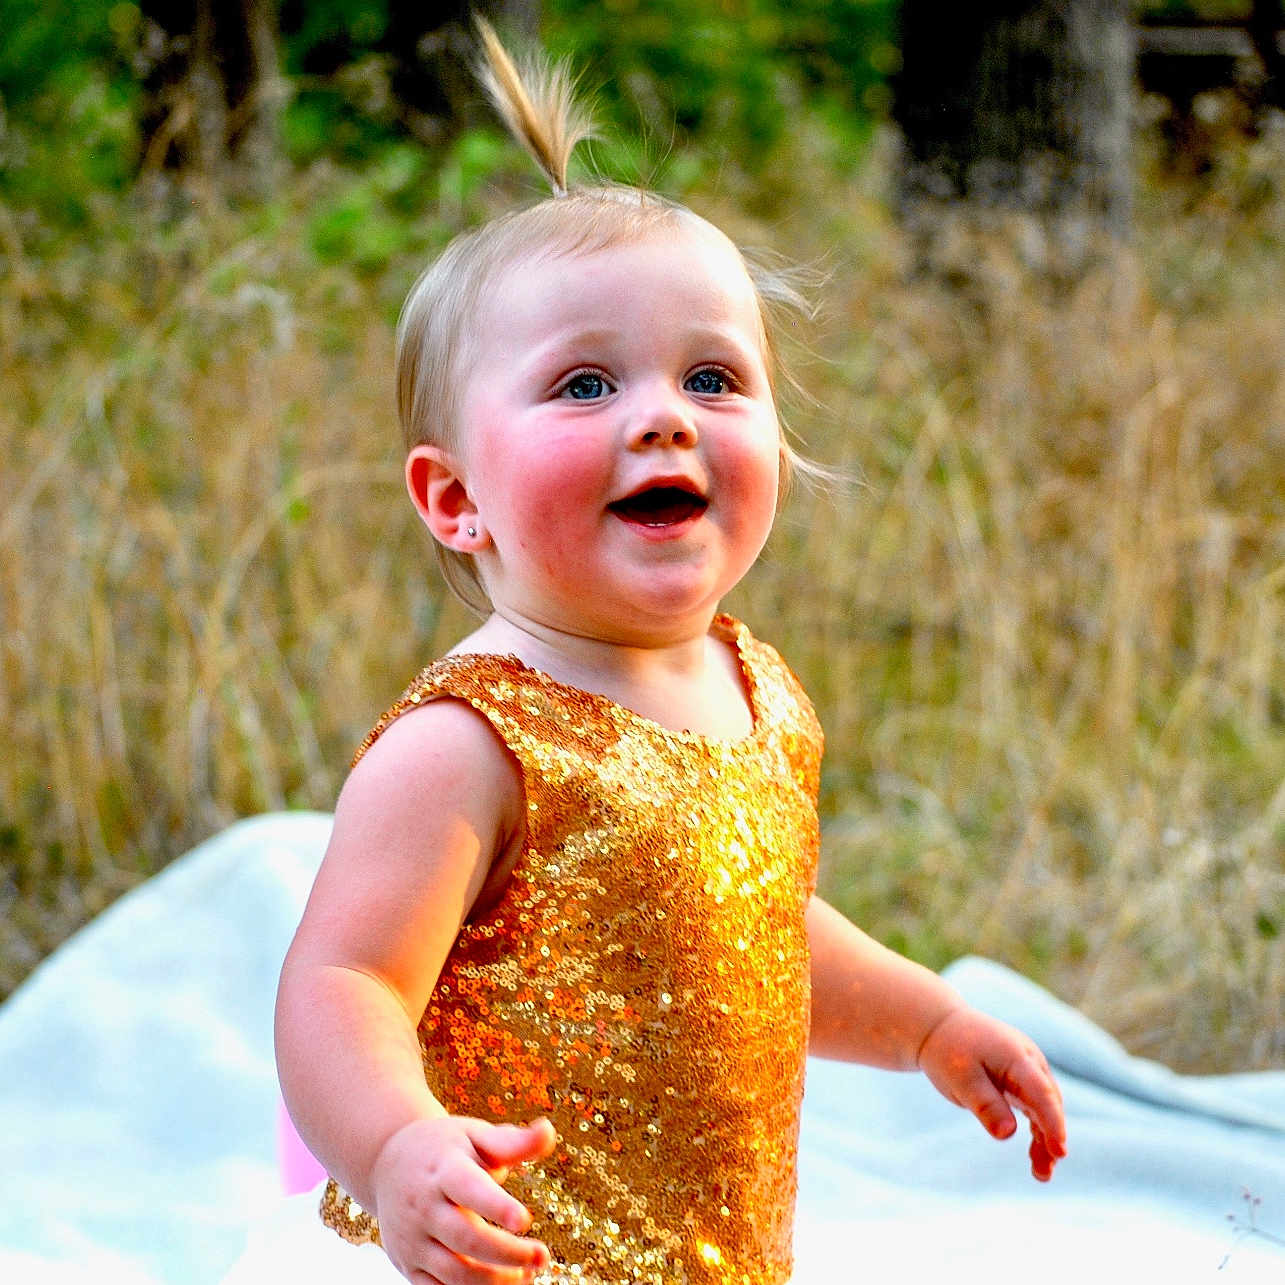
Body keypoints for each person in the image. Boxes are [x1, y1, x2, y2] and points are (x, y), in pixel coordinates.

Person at [268, 20, 1067, 1285]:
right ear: (454, 498)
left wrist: (924, 1021)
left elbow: (753, 927)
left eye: (712, 377)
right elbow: (342, 983)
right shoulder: (468, 744)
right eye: (584, 387)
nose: (659, 419)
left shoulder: (757, 690)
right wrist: (394, 1146)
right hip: (527, 1258)